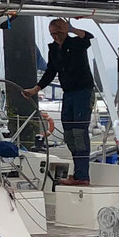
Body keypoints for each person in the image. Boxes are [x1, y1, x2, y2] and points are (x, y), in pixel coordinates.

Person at [22, 18, 94, 186]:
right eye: (53, 34)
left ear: (65, 30)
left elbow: (88, 38)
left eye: (58, 33)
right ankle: (79, 174)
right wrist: (35, 89)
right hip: (68, 93)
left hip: (83, 92)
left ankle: (82, 176)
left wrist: (72, 29)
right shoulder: (53, 49)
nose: (56, 37)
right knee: (69, 133)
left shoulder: (76, 43)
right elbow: (50, 71)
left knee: (79, 132)